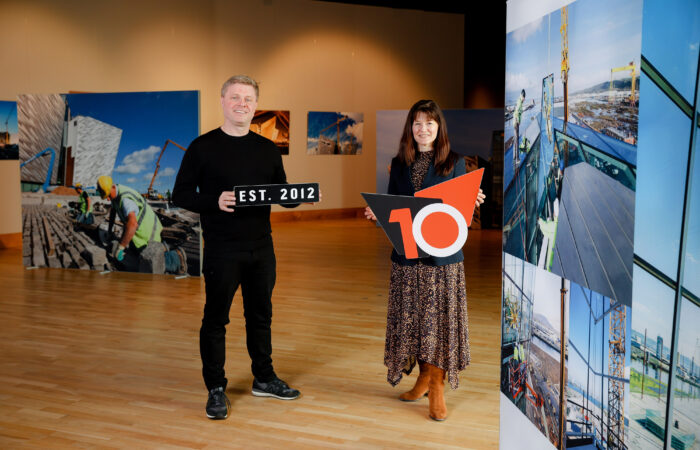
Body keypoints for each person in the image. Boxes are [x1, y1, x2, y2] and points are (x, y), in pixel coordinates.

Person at [172, 75, 302, 421]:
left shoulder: (267, 149)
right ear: (223, 101)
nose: (242, 104)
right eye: (235, 97)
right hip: (222, 250)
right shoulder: (202, 147)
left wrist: (295, 198)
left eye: (248, 99)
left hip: (262, 249)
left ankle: (264, 377)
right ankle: (215, 387)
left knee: (261, 316)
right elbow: (180, 195)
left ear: (255, 106)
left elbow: (281, 191)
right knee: (216, 319)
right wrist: (215, 200)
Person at [364, 99, 485, 421]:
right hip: (407, 256)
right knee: (415, 322)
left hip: (441, 260)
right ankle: (422, 378)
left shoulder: (456, 163)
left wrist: (472, 201)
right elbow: (394, 208)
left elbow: (460, 215)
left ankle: (437, 384)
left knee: (437, 323)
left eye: (429, 123)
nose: (423, 129)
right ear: (410, 128)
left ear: (439, 127)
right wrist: (377, 214)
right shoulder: (399, 163)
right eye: (417, 123)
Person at [96, 175, 186, 275]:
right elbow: (113, 210)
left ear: (113, 187)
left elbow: (132, 224)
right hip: (137, 230)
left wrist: (121, 247)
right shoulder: (114, 194)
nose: (108, 199)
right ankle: (164, 247)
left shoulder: (126, 200)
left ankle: (176, 257)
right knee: (135, 253)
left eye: (108, 196)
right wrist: (109, 230)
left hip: (147, 228)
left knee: (148, 260)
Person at [513, 89, 526, 166]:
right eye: (524, 97)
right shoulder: (519, 102)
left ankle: (514, 156)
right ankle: (517, 159)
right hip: (516, 123)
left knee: (515, 139)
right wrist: (518, 121)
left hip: (516, 123)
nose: (524, 99)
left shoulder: (519, 101)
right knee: (517, 140)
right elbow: (517, 112)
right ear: (522, 96)